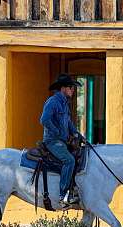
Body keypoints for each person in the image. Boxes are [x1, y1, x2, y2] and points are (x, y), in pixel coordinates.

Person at [40, 74, 85, 208]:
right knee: (69, 160)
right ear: (63, 88)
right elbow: (44, 120)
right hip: (52, 141)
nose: (73, 90)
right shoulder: (53, 101)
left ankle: (74, 190)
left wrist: (78, 135)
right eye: (71, 87)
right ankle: (63, 195)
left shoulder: (65, 104)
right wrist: (58, 132)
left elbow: (69, 123)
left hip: (62, 141)